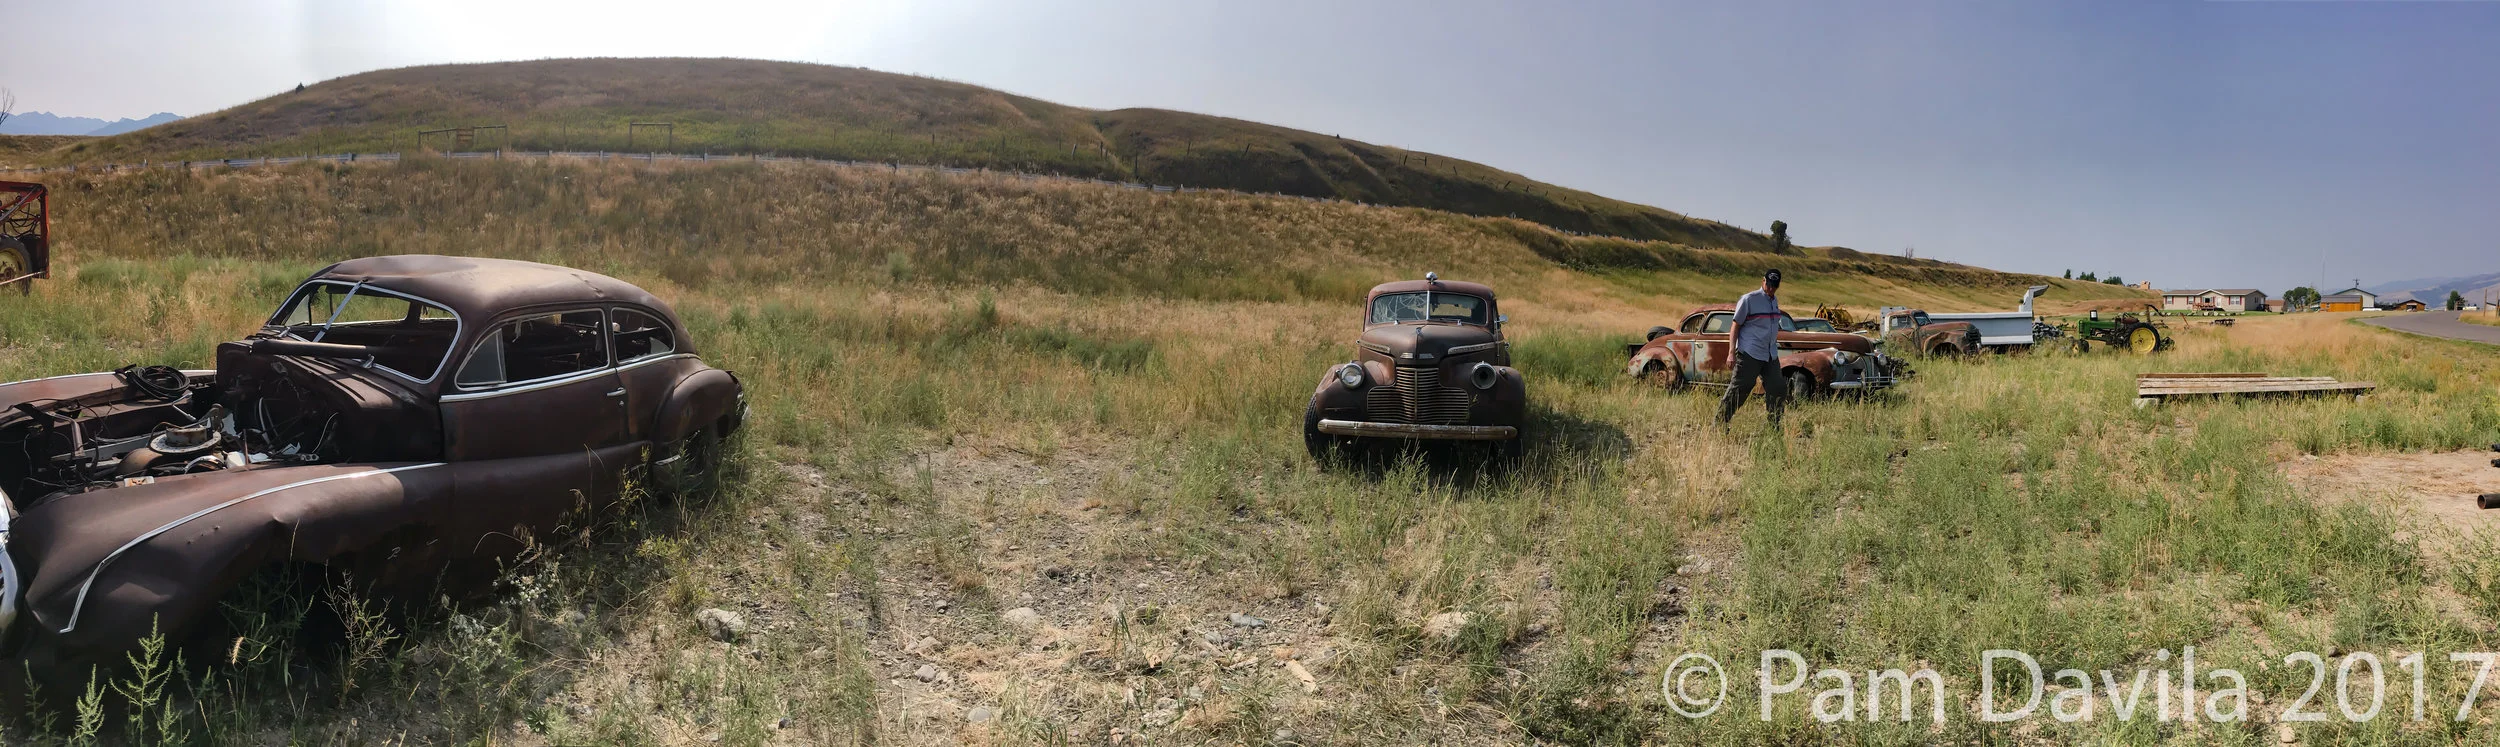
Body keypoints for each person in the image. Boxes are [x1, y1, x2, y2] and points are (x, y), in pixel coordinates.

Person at [1718, 269, 1787, 427]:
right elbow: (1735, 326)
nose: (1771, 288)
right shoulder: (1749, 299)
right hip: (1750, 352)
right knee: (1741, 388)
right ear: (1763, 281)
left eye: (1774, 286)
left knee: (1778, 387)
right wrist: (1731, 353)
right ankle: (1720, 423)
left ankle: (1773, 426)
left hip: (1770, 354)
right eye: (1769, 285)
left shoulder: (1774, 301)